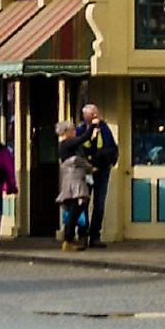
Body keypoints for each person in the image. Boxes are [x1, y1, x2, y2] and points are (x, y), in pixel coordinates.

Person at [75, 101, 119, 246]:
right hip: (85, 171)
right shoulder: (80, 130)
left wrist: (108, 160)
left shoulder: (104, 128)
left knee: (99, 204)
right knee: (83, 203)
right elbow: (80, 148)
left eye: (96, 113)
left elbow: (111, 147)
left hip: (102, 170)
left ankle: (95, 236)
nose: (95, 116)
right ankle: (82, 235)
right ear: (85, 116)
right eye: (91, 114)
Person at [54, 120, 89, 251]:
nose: (75, 132)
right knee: (75, 209)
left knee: (76, 209)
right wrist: (92, 128)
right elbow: (82, 141)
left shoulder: (70, 145)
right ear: (66, 132)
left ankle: (70, 237)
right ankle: (68, 238)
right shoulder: (66, 144)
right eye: (72, 130)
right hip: (74, 183)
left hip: (76, 181)